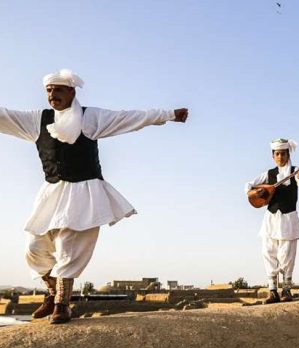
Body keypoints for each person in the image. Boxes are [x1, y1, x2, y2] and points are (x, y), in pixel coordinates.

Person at [0, 69, 188, 324]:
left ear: (71, 91)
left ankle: (62, 305)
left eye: (58, 89)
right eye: (49, 90)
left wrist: (168, 114)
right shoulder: (37, 120)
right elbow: (4, 116)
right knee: (34, 248)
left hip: (84, 193)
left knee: (69, 247)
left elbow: (130, 118)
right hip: (52, 192)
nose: (52, 94)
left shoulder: (91, 117)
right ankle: (53, 292)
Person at [245, 139, 299, 303]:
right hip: (271, 219)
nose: (280, 156)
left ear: (288, 155)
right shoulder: (268, 174)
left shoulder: (295, 171)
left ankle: (286, 290)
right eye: (277, 154)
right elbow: (248, 186)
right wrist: (258, 192)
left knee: (287, 254)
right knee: (269, 252)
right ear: (273, 156)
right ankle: (272, 291)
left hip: (288, 219)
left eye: (283, 153)